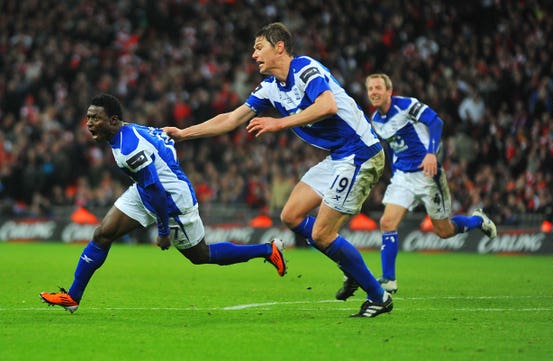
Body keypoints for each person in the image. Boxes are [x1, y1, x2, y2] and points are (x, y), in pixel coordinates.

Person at [163, 22, 392, 318]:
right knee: (291, 216)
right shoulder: (271, 88)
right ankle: (351, 267)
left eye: (259, 47)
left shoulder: (305, 68)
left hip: (361, 152)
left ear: (279, 47)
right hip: (340, 156)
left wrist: (278, 123)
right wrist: (183, 133)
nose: (253, 54)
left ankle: (378, 296)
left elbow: (328, 106)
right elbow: (231, 119)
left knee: (322, 235)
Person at [40, 93, 286, 313]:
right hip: (146, 189)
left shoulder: (128, 150)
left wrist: (163, 231)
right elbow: (165, 140)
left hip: (172, 201)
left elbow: (157, 190)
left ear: (113, 120)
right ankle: (72, 296)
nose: (90, 123)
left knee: (201, 255)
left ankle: (267, 250)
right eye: (88, 118)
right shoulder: (130, 130)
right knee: (102, 234)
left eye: (95, 118)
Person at [336, 73, 498, 300]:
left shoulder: (407, 105)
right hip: (403, 176)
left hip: (427, 173)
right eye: (370, 88)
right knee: (387, 222)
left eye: (378, 88)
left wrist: (431, 153)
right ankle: (389, 279)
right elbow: (392, 147)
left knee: (444, 231)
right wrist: (393, 171)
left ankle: (477, 220)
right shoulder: (376, 121)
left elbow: (435, 121)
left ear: (388, 91)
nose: (373, 92)